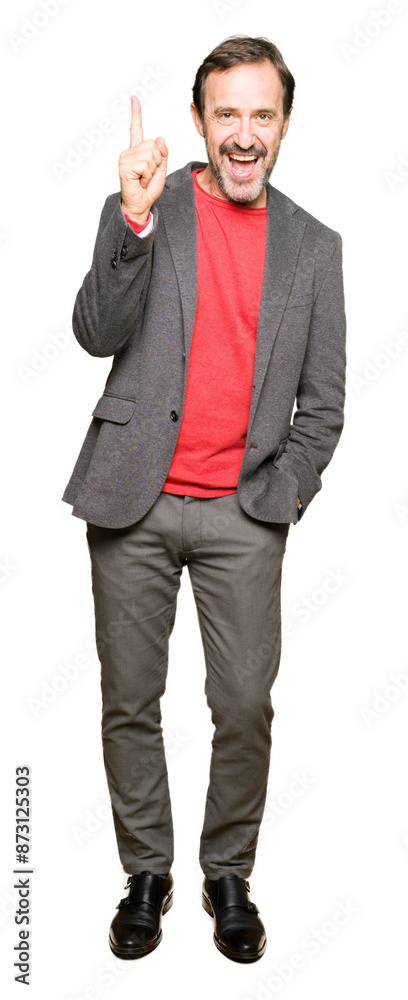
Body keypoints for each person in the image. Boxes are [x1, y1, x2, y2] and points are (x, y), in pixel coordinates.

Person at [62, 35, 346, 963]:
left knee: (245, 705)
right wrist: (133, 220)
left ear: (285, 125)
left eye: (262, 114)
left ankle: (229, 874)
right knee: (128, 700)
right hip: (132, 498)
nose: (244, 133)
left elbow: (324, 406)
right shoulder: (149, 204)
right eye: (227, 114)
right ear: (199, 121)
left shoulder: (315, 248)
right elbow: (95, 332)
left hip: (243, 512)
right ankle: (146, 873)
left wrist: (281, 497)